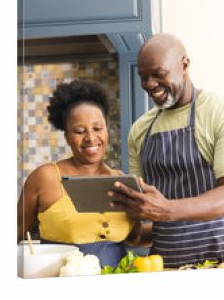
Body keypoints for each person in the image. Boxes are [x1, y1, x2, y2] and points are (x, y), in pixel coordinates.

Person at [108, 33, 224, 268]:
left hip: (221, 265)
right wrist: (131, 228)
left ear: (184, 64)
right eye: (143, 77)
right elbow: (144, 209)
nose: (150, 84)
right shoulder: (140, 129)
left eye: (159, 74)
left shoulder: (220, 113)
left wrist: (167, 210)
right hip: (165, 267)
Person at [17, 79, 137, 268]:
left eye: (98, 128)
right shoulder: (45, 177)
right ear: (67, 136)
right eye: (79, 131)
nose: (90, 138)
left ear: (107, 131)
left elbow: (136, 238)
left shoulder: (121, 180)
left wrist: (164, 216)